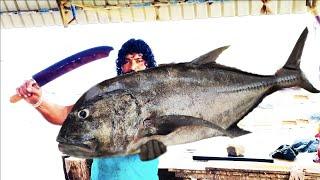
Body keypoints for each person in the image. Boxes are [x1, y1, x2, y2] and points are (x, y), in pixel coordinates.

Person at [16, 39, 166, 180]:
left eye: (139, 60)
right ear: (121, 66)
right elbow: (63, 115)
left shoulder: (160, 99)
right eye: (127, 61)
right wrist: (38, 102)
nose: (132, 67)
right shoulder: (104, 95)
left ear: (148, 66)